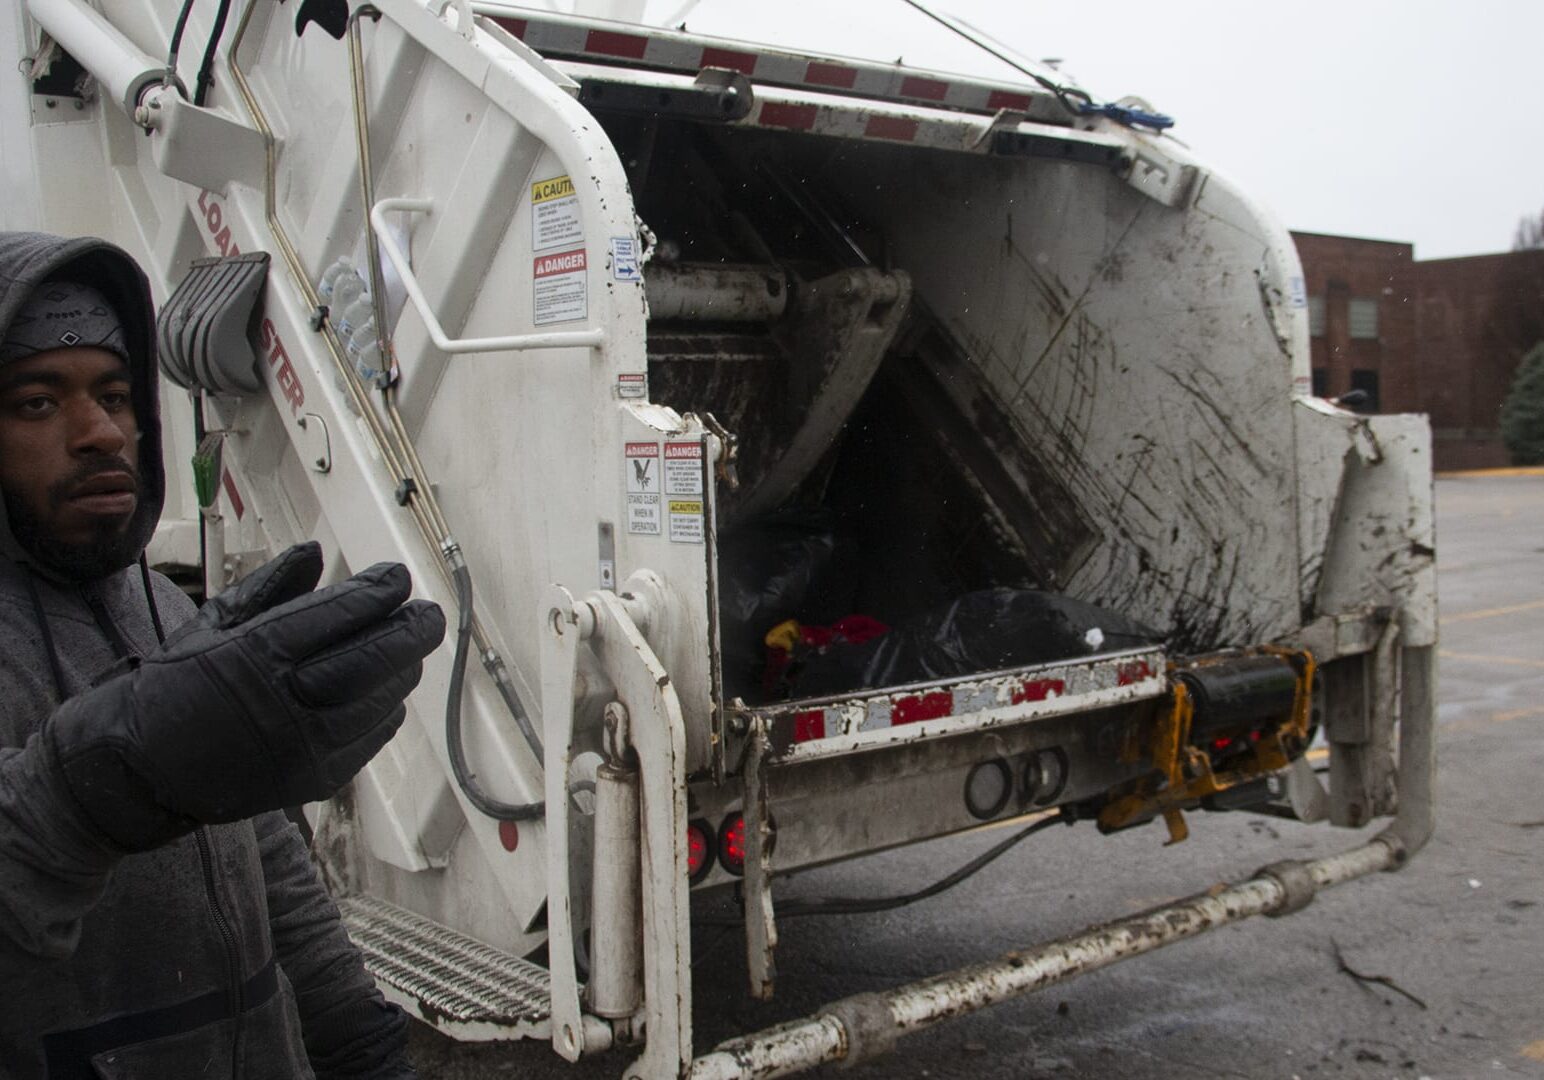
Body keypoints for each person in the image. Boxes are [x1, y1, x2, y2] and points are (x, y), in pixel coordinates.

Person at [0, 230, 446, 1078]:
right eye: (37, 402)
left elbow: (271, 868)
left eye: (118, 394)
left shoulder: (165, 611)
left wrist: (357, 1034)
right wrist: (76, 798)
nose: (100, 431)